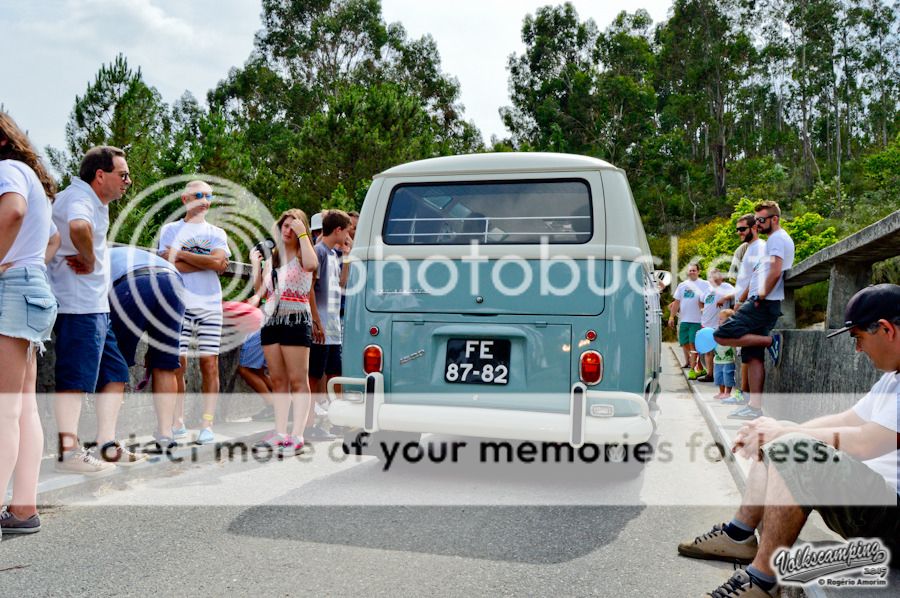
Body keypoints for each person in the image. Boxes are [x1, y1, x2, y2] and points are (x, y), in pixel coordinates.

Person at [678, 284, 900, 597]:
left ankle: (762, 582)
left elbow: (869, 442)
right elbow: (849, 420)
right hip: (880, 505)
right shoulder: (893, 378)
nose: (858, 350)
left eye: (858, 338)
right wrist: (780, 430)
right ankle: (739, 534)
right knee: (779, 432)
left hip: (892, 515)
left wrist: (789, 438)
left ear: (887, 330)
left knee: (789, 443)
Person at [49, 146, 142, 475]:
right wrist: (88, 259)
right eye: (123, 174)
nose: (128, 181)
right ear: (100, 175)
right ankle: (69, 451)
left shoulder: (95, 201)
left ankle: (106, 443)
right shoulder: (79, 198)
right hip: (78, 306)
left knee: (115, 373)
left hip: (96, 307)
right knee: (75, 379)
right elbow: (77, 227)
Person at [0, 113, 60, 536]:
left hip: (14, 289)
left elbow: (12, 213)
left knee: (4, 411)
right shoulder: (28, 173)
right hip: (33, 288)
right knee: (22, 408)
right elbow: (53, 237)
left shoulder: (5, 171)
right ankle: (23, 510)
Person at [158, 181, 230, 444]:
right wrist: (207, 262)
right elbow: (169, 264)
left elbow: (219, 264)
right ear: (185, 199)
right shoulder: (170, 229)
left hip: (210, 306)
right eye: (199, 195)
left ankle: (207, 425)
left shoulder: (217, 232)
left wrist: (182, 255)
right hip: (180, 303)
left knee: (209, 364)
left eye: (209, 196)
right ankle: (178, 421)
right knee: (179, 363)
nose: (204, 200)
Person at [715, 201, 795, 420]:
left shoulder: (776, 239)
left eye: (761, 220)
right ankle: (754, 406)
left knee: (722, 334)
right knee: (753, 356)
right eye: (757, 220)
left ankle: (771, 342)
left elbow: (776, 270)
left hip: (763, 302)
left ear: (774, 219)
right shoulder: (772, 240)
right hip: (761, 300)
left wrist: (759, 295)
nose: (758, 224)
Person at [250, 209, 318, 453]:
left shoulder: (303, 253)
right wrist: (256, 265)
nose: (287, 230)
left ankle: (297, 435)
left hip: (296, 320)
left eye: (293, 226)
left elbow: (312, 265)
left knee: (299, 381)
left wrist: (303, 236)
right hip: (271, 322)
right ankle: (280, 432)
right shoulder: (273, 259)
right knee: (278, 381)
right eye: (284, 226)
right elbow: (263, 291)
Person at [108, 246, 186, 449]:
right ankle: (166, 434)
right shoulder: (130, 255)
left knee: (116, 362)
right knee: (165, 364)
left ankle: (107, 439)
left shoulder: (98, 258)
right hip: (173, 282)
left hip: (133, 282)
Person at [307, 209, 352, 441]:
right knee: (314, 374)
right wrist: (316, 320)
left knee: (335, 373)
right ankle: (309, 424)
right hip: (321, 325)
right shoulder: (319, 252)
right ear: (338, 230)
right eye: (346, 231)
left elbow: (342, 284)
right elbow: (310, 289)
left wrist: (347, 254)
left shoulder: (334, 254)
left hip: (334, 326)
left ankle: (337, 421)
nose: (348, 236)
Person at [720, 215, 765, 407]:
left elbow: (755, 276)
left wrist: (742, 299)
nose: (739, 233)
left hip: (749, 303)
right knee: (744, 353)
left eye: (742, 229)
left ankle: (744, 396)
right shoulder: (746, 249)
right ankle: (743, 394)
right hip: (743, 303)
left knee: (747, 351)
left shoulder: (755, 248)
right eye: (737, 230)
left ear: (753, 227)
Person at [668, 263, 710, 379]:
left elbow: (711, 297)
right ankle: (700, 367)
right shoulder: (682, 285)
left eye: (694, 270)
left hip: (697, 320)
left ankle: (692, 370)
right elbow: (677, 302)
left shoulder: (705, 284)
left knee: (692, 345)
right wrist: (671, 317)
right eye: (690, 270)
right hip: (684, 320)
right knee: (684, 343)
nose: (692, 272)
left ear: (698, 271)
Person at [698, 268, 734, 382]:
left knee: (721, 351)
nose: (713, 278)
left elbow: (736, 293)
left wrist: (724, 298)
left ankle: (724, 375)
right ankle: (710, 375)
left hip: (719, 324)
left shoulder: (726, 287)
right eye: (711, 276)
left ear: (721, 277)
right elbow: (700, 300)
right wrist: (702, 309)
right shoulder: (707, 290)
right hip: (706, 324)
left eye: (716, 276)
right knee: (708, 351)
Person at [238, 330, 275, 422]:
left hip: (254, 335)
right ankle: (289, 404)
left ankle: (272, 405)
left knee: (243, 369)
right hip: (262, 333)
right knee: (259, 372)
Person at [712, 309, 737, 399]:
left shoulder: (731, 332)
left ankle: (727, 393)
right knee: (719, 376)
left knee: (728, 376)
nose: (719, 321)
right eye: (719, 319)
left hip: (728, 360)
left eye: (721, 319)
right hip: (717, 360)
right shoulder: (716, 331)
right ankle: (721, 392)